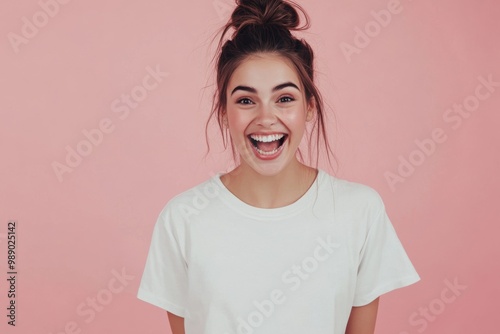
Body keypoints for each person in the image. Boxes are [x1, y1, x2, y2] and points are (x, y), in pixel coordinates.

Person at [137, 0, 420, 333]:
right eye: (246, 100)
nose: (266, 118)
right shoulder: (183, 219)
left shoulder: (359, 211)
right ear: (224, 111)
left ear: (309, 107)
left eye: (284, 98)